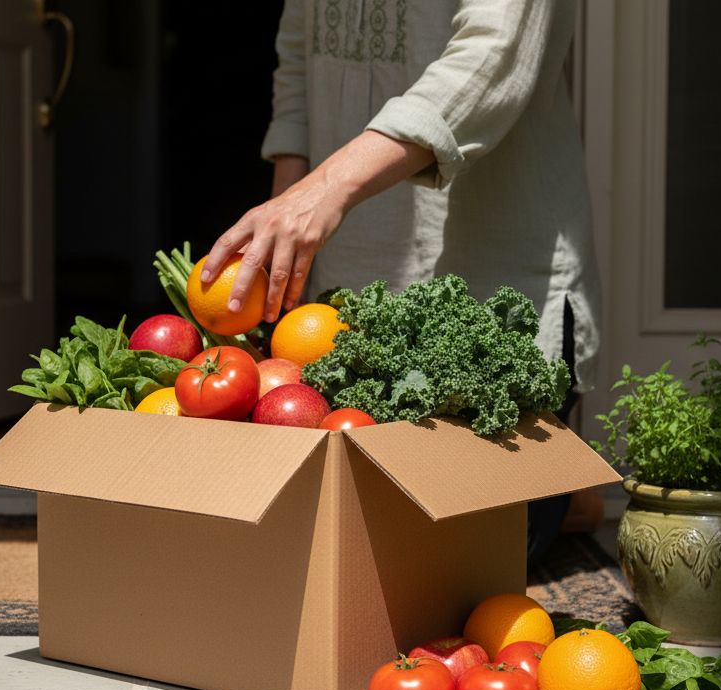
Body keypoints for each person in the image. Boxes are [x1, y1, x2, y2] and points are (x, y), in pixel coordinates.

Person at [201, 0, 603, 565]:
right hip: (344, 300)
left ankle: (557, 503)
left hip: (493, 282)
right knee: (328, 564)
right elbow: (300, 58)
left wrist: (325, 189)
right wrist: (282, 230)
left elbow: (495, 57)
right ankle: (565, 504)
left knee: (443, 581)